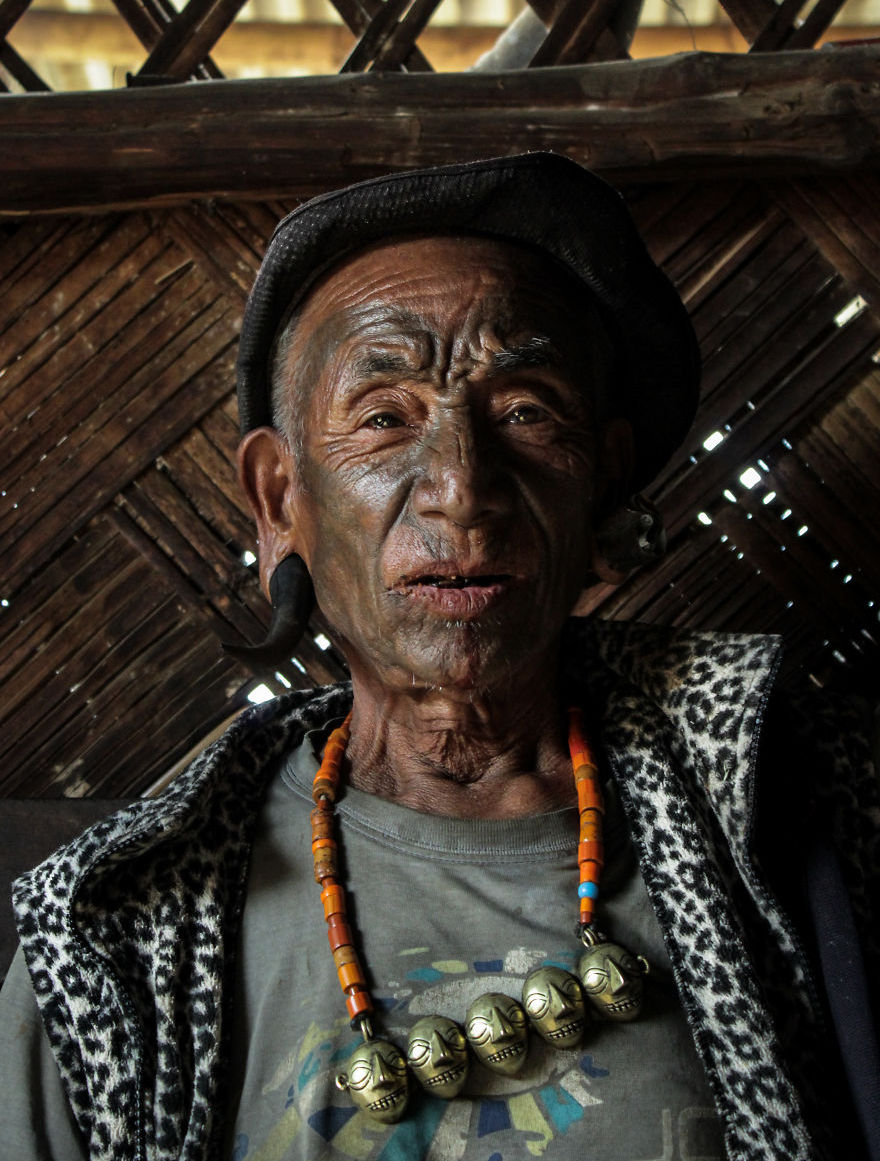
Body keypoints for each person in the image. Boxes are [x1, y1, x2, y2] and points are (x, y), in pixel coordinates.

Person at [2, 153, 878, 1161]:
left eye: (526, 412)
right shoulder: (120, 927)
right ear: (281, 501)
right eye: (385, 418)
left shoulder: (799, 810)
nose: (462, 486)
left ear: (603, 483)